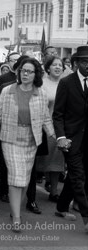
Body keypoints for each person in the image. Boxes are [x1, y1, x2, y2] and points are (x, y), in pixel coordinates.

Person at [0, 58, 55, 232]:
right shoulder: (8, 91)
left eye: (29, 71)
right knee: (16, 177)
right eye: (22, 70)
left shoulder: (41, 93)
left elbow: (46, 117)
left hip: (31, 140)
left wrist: (54, 135)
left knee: (24, 180)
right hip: (10, 138)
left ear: (36, 74)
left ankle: (15, 209)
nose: (24, 74)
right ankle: (16, 217)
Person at [52, 45, 88, 233]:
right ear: (76, 63)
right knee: (78, 177)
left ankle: (61, 207)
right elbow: (58, 114)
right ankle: (87, 217)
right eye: (85, 61)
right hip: (71, 140)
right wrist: (61, 137)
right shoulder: (66, 83)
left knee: (78, 177)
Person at [36, 56, 65, 203]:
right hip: (44, 126)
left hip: (61, 128)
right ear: (48, 68)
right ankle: (32, 191)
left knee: (57, 160)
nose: (58, 67)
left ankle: (54, 191)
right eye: (55, 65)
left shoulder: (66, 83)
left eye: (60, 65)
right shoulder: (42, 84)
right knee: (41, 159)